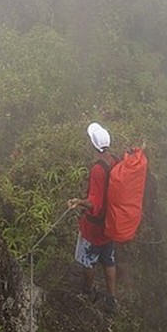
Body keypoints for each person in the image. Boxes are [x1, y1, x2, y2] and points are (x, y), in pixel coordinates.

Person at [67, 122, 118, 312]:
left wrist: (78, 202)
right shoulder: (115, 160)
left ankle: (87, 292)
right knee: (109, 259)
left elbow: (94, 203)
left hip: (94, 227)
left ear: (93, 145)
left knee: (88, 261)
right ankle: (112, 299)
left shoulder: (98, 169)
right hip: (110, 224)